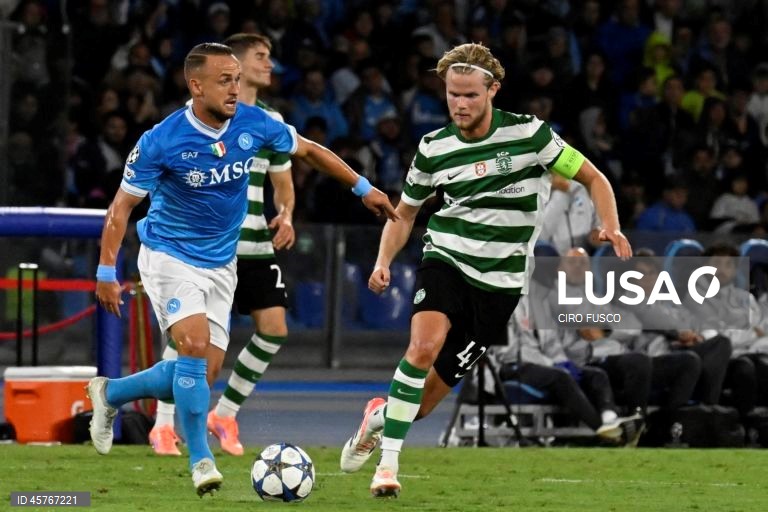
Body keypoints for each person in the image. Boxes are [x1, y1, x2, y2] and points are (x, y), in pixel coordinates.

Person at [88, 42, 397, 497]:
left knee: (199, 375)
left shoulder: (255, 122)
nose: (234, 89)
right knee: (193, 348)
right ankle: (201, 461)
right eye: (224, 81)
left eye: (236, 79)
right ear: (196, 86)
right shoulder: (161, 140)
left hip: (222, 261)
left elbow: (310, 151)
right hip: (170, 255)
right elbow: (120, 208)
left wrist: (363, 187)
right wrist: (105, 271)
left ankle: (109, 393)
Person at [338, 42, 631, 498]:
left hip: (501, 285)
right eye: (452, 94)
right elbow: (405, 214)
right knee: (422, 347)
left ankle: (377, 416)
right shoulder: (433, 148)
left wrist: (609, 224)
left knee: (421, 405)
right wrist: (383, 261)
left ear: (492, 90)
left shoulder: (531, 136)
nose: (459, 103)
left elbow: (593, 177)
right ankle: (388, 468)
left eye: (470, 95)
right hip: (448, 258)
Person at [148, 33, 297, 458]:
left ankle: (225, 414)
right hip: (207, 246)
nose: (269, 65)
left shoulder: (270, 120)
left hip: (255, 244)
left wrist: (286, 214)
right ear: (237, 63)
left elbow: (283, 183)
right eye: (261, 57)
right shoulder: (196, 118)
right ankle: (163, 425)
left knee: (274, 328)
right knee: (189, 337)